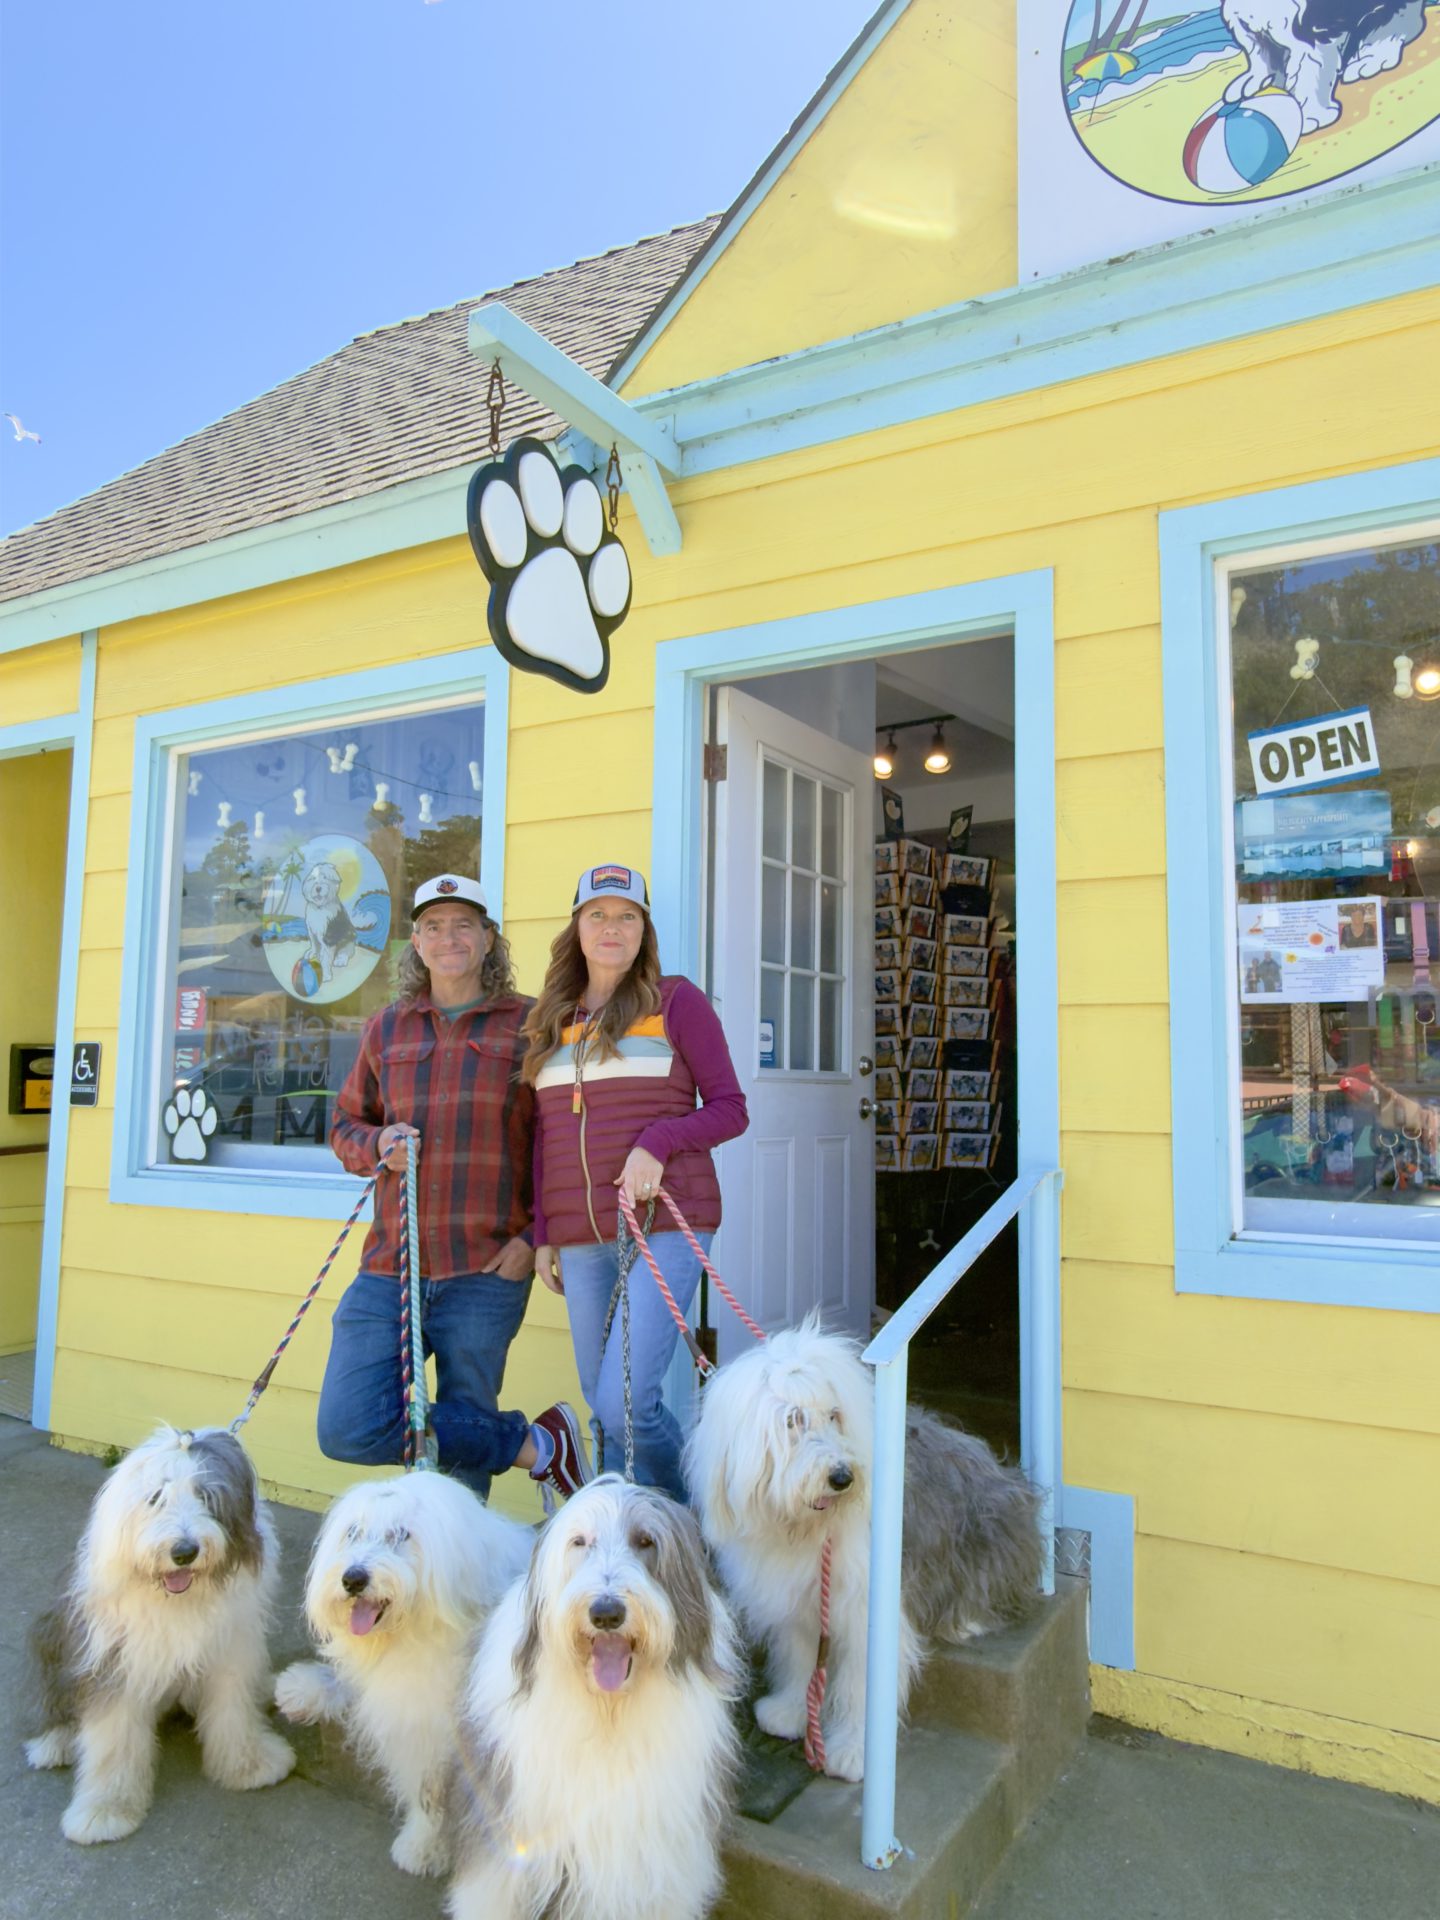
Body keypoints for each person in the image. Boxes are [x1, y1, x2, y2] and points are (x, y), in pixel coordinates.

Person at [319, 873, 590, 1504]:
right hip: (391, 1267)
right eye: (434, 926)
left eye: (464, 924)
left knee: (464, 1436)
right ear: (415, 942)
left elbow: (563, 1143)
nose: (449, 938)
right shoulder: (387, 1028)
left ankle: (453, 1578)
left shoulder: (530, 1024)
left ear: (489, 938)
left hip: (486, 1270)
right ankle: (539, 1446)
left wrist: (533, 1238)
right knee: (347, 1425)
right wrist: (377, 1146)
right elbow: (345, 1125)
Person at [522, 864, 748, 1501]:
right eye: (598, 914)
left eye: (627, 915)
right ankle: (631, 1542)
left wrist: (660, 1140)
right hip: (580, 1234)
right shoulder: (552, 1019)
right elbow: (544, 1137)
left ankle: (694, 1524)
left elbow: (731, 1107)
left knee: (626, 1405)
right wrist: (544, 1232)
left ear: (644, 929)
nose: (611, 926)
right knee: (603, 1408)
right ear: (577, 928)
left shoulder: (676, 1000)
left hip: (667, 1222)